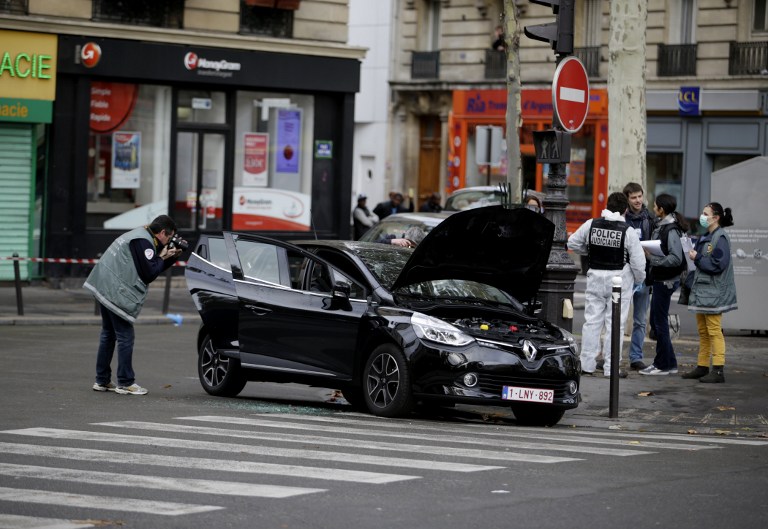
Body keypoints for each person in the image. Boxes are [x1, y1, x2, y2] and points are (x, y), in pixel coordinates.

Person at [84, 215, 183, 395]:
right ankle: (125, 382)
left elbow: (150, 266)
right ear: (162, 232)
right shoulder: (144, 242)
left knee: (108, 333)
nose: (168, 241)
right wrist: (164, 257)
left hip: (103, 284)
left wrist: (169, 257)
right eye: (169, 238)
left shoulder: (139, 234)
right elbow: (150, 272)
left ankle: (102, 380)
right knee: (125, 336)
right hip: (114, 289)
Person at [567, 192, 646, 378]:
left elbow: (572, 242)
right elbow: (638, 263)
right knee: (614, 325)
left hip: (595, 277)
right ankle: (611, 368)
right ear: (625, 209)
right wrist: (639, 280)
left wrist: (589, 249)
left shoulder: (591, 224)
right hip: (619, 282)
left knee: (592, 322)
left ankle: (586, 365)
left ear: (607, 205)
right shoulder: (627, 231)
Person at [681, 202, 737, 383]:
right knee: (704, 331)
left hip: (713, 293)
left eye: (706, 214)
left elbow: (718, 264)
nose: (702, 216)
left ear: (716, 217)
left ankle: (718, 370)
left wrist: (697, 257)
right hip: (703, 291)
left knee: (714, 331)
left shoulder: (720, 238)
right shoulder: (708, 236)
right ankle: (702, 366)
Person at [640, 193, 688, 376]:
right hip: (661, 280)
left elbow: (676, 258)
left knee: (659, 323)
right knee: (656, 321)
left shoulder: (671, 229)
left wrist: (652, 258)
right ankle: (668, 362)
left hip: (666, 281)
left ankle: (663, 365)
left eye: (655, 206)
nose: (653, 208)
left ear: (661, 209)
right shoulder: (664, 225)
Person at [623, 182, 656, 370]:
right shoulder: (621, 218)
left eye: (640, 196)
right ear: (627, 199)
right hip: (624, 275)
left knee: (640, 320)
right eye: (633, 197)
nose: (637, 200)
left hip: (644, 276)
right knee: (617, 318)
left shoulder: (650, 219)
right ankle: (614, 356)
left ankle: (636, 357)